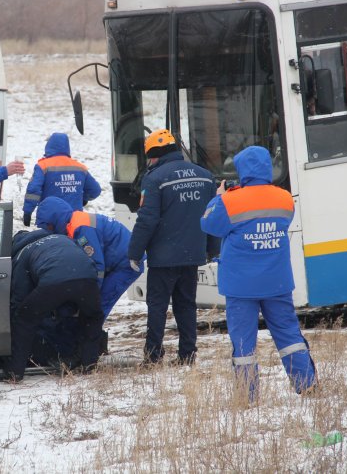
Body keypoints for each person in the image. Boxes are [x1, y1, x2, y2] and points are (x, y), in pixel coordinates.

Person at [200, 145, 316, 401]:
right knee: (289, 336)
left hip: (241, 286)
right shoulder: (284, 198)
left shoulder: (230, 201)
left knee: (243, 345)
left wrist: (219, 196)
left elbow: (208, 224)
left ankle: (247, 395)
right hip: (277, 281)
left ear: (241, 170)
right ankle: (306, 384)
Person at [127, 129, 218, 365]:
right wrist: (212, 249)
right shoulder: (205, 176)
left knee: (157, 306)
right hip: (192, 255)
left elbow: (147, 220)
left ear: (155, 155)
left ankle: (153, 355)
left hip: (163, 258)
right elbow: (212, 216)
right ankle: (187, 354)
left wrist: (134, 253)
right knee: (186, 305)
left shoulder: (155, 179)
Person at [0, 229, 104, 382]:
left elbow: (19, 296)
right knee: (93, 317)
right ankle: (89, 364)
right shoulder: (64, 238)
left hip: (53, 282)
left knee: (24, 320)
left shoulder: (23, 252)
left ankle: (14, 373)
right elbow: (80, 265)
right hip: (87, 277)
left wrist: (18, 315)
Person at [35, 196, 143, 318]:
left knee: (99, 303)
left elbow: (97, 266)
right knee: (94, 304)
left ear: (55, 219)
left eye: (49, 227)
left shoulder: (81, 229)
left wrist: (89, 295)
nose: (49, 231)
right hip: (120, 258)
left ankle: (92, 335)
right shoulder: (74, 222)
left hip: (127, 264)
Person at [22, 132, 101, 225]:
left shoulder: (43, 166)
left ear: (48, 146)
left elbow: (33, 189)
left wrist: (28, 212)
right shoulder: (80, 167)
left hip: (50, 217)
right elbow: (95, 190)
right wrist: (83, 198)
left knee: (50, 239)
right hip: (74, 219)